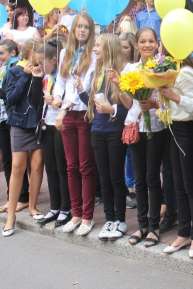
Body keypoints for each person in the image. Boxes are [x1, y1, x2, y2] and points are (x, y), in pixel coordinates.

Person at [79, 34, 130, 241]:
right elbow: (93, 105)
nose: (94, 49)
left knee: (116, 177)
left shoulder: (122, 73)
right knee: (104, 177)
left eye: (98, 45)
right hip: (97, 130)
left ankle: (121, 220)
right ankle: (109, 219)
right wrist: (81, 92)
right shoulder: (96, 73)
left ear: (109, 47)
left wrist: (113, 109)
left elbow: (130, 107)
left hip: (115, 131)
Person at [124, 28, 171, 248]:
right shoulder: (130, 69)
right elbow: (128, 104)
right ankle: (142, 224)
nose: (147, 45)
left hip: (156, 126)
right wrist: (118, 86)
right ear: (136, 45)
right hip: (136, 127)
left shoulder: (162, 68)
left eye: (151, 41)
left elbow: (168, 101)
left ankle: (154, 226)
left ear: (157, 43)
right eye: (143, 41)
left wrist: (153, 104)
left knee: (152, 177)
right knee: (139, 178)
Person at [53, 12, 98, 237]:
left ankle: (87, 217)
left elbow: (85, 86)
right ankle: (76, 214)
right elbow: (61, 81)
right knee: (71, 166)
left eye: (86, 27)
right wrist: (56, 97)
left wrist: (63, 108)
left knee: (85, 166)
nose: (81, 30)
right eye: (78, 26)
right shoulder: (65, 53)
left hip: (83, 114)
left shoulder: (94, 55)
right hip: (67, 115)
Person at [160, 53, 193, 258]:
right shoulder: (170, 72)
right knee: (179, 185)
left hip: (188, 131)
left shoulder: (187, 72)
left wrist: (175, 96)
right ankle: (184, 233)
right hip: (174, 129)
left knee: (191, 187)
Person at [1, 38, 46, 236]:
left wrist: (36, 78)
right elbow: (11, 98)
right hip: (19, 123)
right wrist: (26, 76)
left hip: (37, 124)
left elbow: (36, 100)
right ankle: (11, 215)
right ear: (31, 53)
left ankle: (33, 206)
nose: (42, 59)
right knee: (17, 167)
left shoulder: (42, 71)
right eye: (40, 54)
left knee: (37, 165)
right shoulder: (14, 71)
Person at [32, 40, 72, 228]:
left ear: (54, 59)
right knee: (50, 167)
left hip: (60, 124)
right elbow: (34, 101)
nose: (40, 66)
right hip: (46, 123)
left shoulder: (63, 76)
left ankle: (66, 207)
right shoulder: (45, 77)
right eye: (38, 62)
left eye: (42, 62)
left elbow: (68, 100)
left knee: (61, 167)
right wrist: (36, 79)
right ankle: (54, 206)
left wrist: (56, 101)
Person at [0, 39, 30, 214]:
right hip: (2, 118)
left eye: (2, 53)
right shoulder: (4, 69)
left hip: (12, 119)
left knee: (16, 163)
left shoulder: (16, 69)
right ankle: (12, 197)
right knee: (8, 160)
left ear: (13, 53)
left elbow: (12, 95)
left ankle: (21, 197)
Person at [119, 33, 137, 209]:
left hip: (132, 114)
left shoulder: (134, 67)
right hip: (119, 114)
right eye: (120, 47)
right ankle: (128, 183)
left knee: (131, 153)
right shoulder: (116, 66)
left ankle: (132, 184)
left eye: (125, 47)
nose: (122, 50)